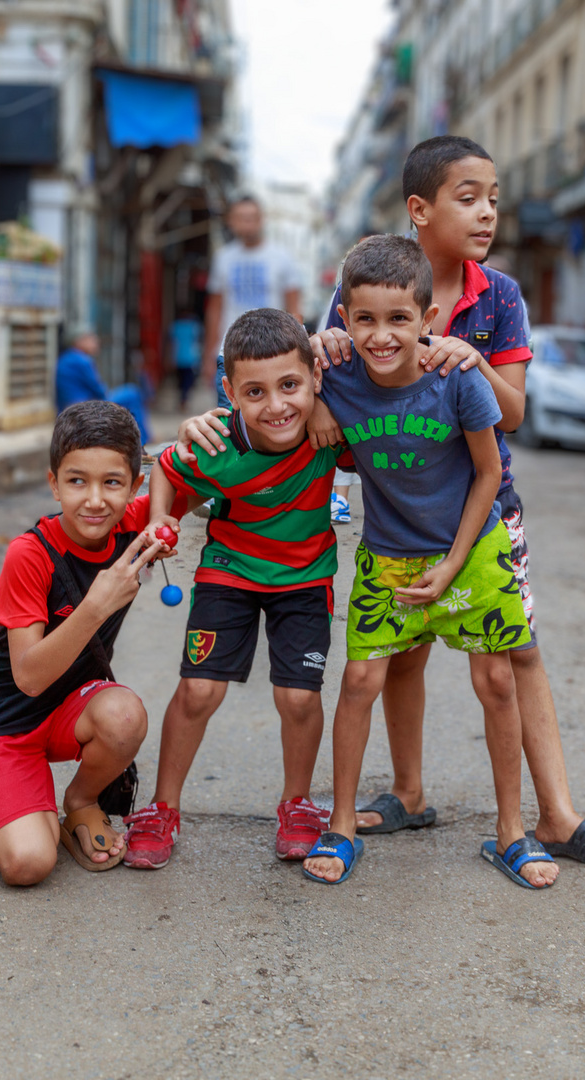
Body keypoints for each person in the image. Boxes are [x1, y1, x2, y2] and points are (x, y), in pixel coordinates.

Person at [306, 136, 585, 874]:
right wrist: (321, 354)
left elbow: (513, 414)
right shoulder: (365, 286)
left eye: (494, 197)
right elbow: (328, 360)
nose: (487, 212)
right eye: (469, 197)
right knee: (400, 656)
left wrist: (472, 355)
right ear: (419, 210)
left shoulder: (503, 297)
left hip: (482, 511)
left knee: (515, 654)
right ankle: (408, 792)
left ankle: (552, 814)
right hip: (400, 502)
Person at [297, 234, 551, 889]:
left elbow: (490, 472)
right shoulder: (338, 375)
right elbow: (258, 381)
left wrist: (453, 563)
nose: (382, 336)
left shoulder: (457, 378)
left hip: (471, 551)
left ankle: (512, 833)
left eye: (399, 319)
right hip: (387, 558)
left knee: (496, 684)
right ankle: (343, 824)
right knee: (359, 682)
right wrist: (319, 394)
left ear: (428, 322)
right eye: (365, 320)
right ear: (342, 321)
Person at [125, 308, 355, 870]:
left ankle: (297, 804)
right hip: (228, 571)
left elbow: (384, 399)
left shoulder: (331, 430)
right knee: (200, 692)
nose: (277, 405)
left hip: (305, 577)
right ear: (229, 392)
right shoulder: (214, 440)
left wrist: (326, 405)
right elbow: (168, 473)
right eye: (255, 391)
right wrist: (161, 520)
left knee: (298, 697)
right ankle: (161, 808)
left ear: (314, 379)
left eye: (291, 386)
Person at [0, 401, 172, 885]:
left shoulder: (134, 527)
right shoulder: (29, 554)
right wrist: (96, 605)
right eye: (77, 481)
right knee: (28, 864)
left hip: (71, 711)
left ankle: (80, 801)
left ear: (135, 485)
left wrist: (198, 427)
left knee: (124, 715)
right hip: (5, 720)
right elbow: (29, 678)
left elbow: (196, 469)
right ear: (54, 483)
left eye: (111, 483)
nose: (94, 500)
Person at [204, 196, 303, 408]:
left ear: (261, 220)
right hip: (228, 353)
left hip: (272, 353)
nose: (246, 224)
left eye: (251, 218)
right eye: (240, 218)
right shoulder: (223, 258)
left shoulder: (282, 257)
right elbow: (214, 309)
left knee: (269, 418)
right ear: (231, 221)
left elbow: (295, 309)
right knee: (229, 423)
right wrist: (208, 355)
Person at [55, 325, 151, 443]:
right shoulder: (82, 360)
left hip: (71, 408)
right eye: (91, 338)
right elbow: (100, 391)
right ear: (79, 341)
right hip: (85, 407)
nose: (96, 341)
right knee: (132, 393)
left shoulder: (66, 358)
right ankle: (143, 440)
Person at [169, 309, 202, 409]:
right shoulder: (193, 326)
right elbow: (197, 341)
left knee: (181, 381)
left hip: (179, 358)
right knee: (188, 381)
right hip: (190, 358)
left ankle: (182, 400)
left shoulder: (176, 326)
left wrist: (171, 357)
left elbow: (172, 344)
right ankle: (184, 399)